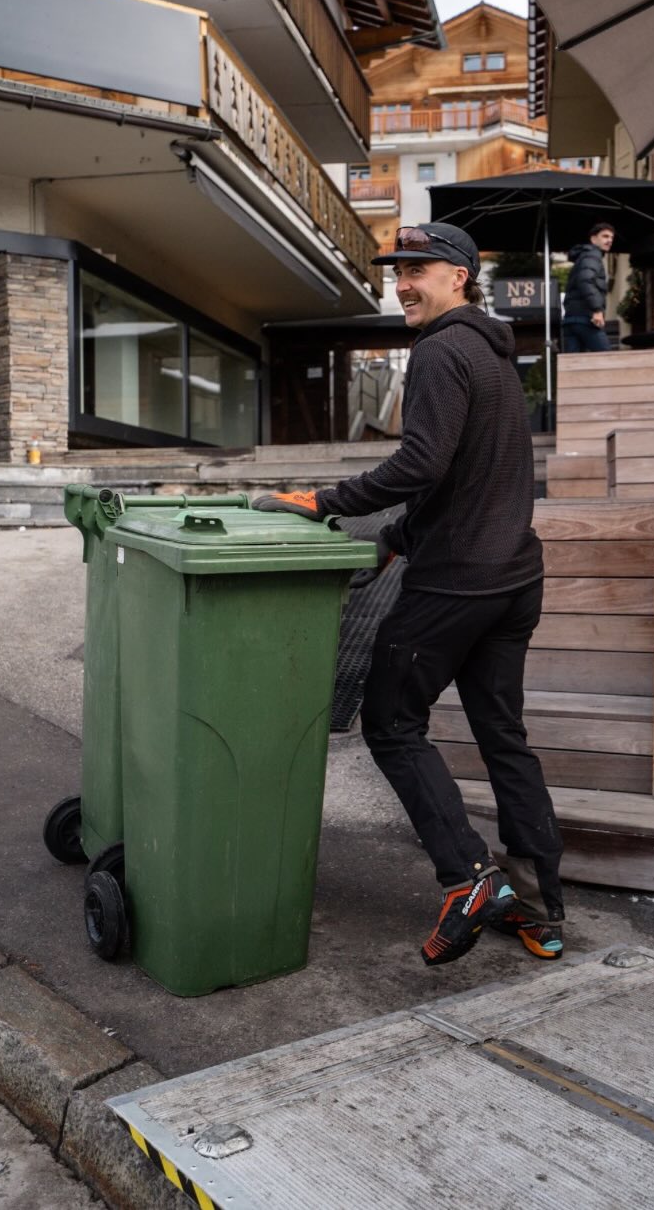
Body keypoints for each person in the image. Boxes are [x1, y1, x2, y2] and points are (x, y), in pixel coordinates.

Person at [253, 222, 565, 967]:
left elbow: (421, 462)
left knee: (392, 721)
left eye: (417, 269)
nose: (401, 283)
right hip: (513, 578)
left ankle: (468, 877)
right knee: (503, 738)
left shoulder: (441, 350)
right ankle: (540, 909)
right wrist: (397, 532)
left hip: (457, 584)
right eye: (397, 271)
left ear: (460, 276)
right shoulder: (492, 350)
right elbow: (464, 472)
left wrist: (326, 500)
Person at [563, 222, 615, 352]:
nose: (609, 240)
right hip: (585, 318)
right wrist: (597, 309)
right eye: (605, 236)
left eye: (611, 238)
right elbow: (585, 281)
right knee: (608, 358)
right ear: (593, 238)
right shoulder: (592, 255)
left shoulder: (583, 257)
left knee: (574, 366)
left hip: (571, 319)